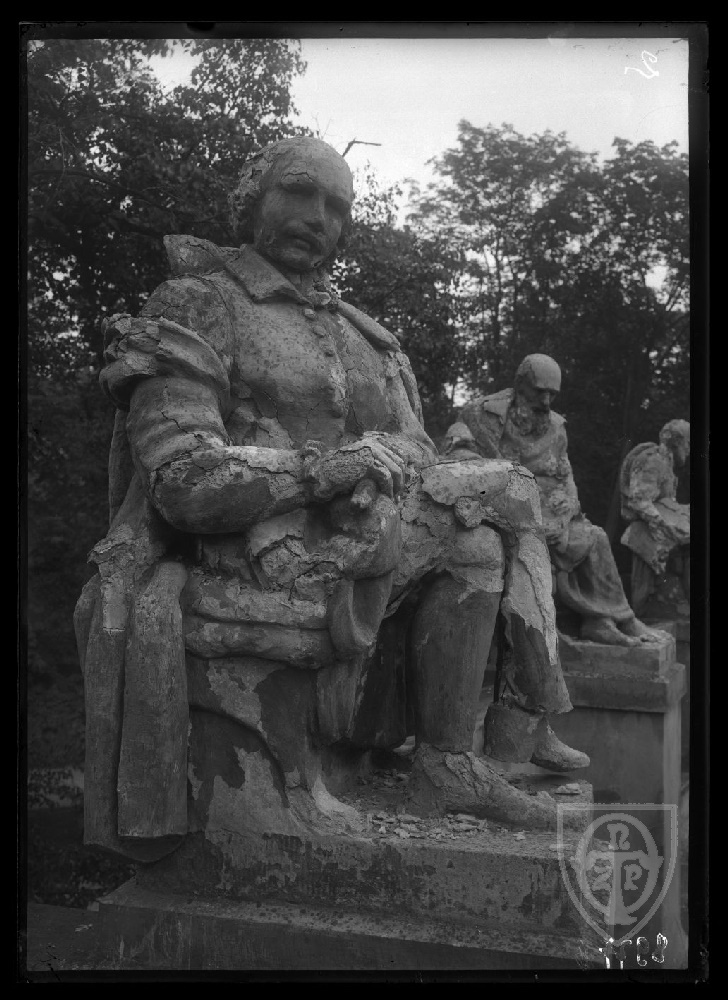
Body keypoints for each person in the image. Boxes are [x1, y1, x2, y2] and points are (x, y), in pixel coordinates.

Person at [75, 139, 587, 861]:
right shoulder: (201, 302)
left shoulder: (360, 333)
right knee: (503, 504)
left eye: (337, 206)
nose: (319, 216)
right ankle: (525, 720)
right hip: (253, 543)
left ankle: (448, 763)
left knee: (483, 530)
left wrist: (377, 479)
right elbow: (181, 478)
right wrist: (323, 474)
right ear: (254, 200)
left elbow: (415, 448)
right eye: (299, 191)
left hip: (363, 530)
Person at [446, 353, 668, 647]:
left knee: (596, 537)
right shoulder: (481, 414)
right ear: (520, 384)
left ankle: (608, 620)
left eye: (552, 394)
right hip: (502, 512)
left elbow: (566, 475)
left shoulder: (556, 427)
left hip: (551, 515)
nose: (546, 401)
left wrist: (569, 506)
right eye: (540, 392)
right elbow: (460, 460)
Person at [620, 420, 690, 616]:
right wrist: (666, 524)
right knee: (648, 606)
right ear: (677, 442)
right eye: (688, 443)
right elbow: (639, 500)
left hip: (658, 534)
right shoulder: (655, 461)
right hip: (647, 535)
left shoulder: (667, 465)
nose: (689, 450)